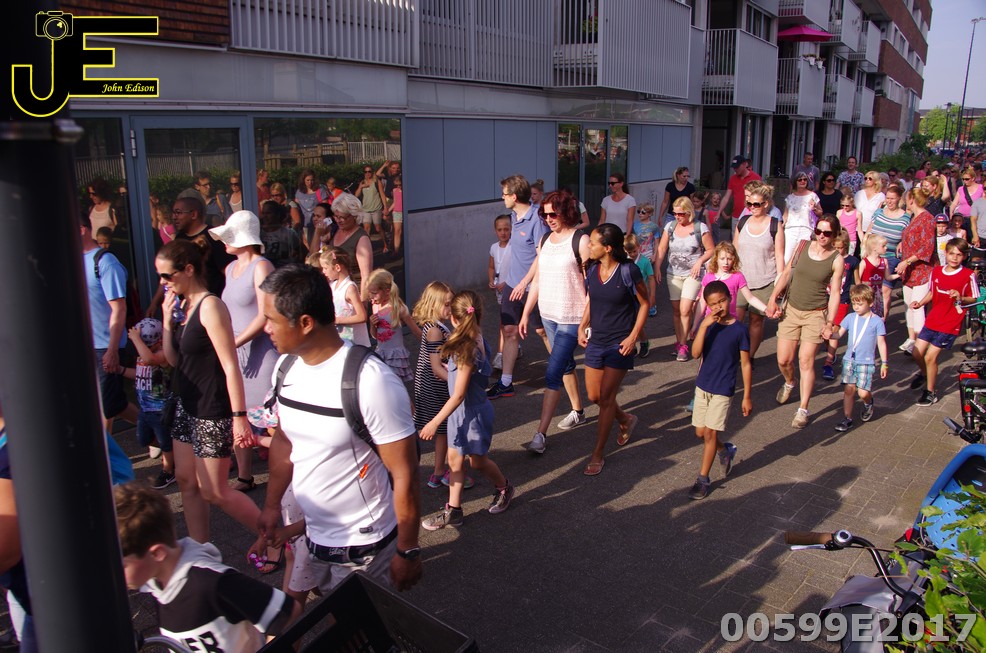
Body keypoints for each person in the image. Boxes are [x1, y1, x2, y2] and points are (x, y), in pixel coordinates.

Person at [255, 264, 423, 593]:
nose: (265, 328)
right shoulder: (285, 368)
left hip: (365, 548)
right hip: (313, 537)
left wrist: (407, 550)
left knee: (357, 623)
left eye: (271, 319)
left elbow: (405, 472)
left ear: (306, 323)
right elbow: (284, 442)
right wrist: (272, 505)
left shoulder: (371, 381)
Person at [157, 239, 260, 543]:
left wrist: (239, 417)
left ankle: (276, 538)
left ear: (188, 270)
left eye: (167, 275)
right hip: (186, 405)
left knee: (214, 491)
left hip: (211, 408)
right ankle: (200, 549)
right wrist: (166, 321)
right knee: (186, 481)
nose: (163, 283)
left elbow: (230, 365)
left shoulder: (210, 306)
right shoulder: (182, 307)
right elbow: (174, 360)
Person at [115, 482, 297, 652]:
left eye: (122, 565)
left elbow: (286, 612)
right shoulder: (155, 583)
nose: (114, 574)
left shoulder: (211, 582)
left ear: (157, 553)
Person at [420, 291, 515, 529]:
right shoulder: (475, 336)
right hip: (463, 412)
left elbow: (459, 394)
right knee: (455, 461)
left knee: (478, 462)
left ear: (453, 318)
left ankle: (504, 487)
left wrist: (434, 422)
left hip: (471, 414)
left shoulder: (465, 348)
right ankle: (453, 510)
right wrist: (451, 369)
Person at [211, 211, 278, 495]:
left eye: (230, 235)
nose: (225, 241)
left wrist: (233, 342)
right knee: (238, 413)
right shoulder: (230, 268)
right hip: (236, 352)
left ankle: (286, 472)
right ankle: (245, 475)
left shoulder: (261, 266)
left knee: (270, 417)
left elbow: (265, 314)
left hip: (261, 354)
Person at [519, 190, 590, 454]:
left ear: (566, 212)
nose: (548, 218)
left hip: (572, 317)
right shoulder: (545, 240)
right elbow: (538, 280)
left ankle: (540, 434)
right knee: (566, 365)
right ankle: (578, 411)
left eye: (553, 213)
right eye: (545, 214)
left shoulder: (581, 241)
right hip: (548, 313)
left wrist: (586, 322)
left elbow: (590, 285)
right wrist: (526, 313)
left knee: (553, 372)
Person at [578, 224, 649, 476]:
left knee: (606, 399)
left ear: (607, 248)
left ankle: (597, 453)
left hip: (619, 343)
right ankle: (625, 419)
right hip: (596, 341)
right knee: (594, 396)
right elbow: (592, 301)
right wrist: (582, 325)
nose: (588, 246)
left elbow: (645, 303)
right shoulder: (592, 269)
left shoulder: (629, 271)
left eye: (593, 243)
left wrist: (633, 337)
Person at [767, 215, 844, 429]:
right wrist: (773, 299)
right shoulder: (802, 246)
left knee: (805, 361)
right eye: (818, 231)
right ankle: (790, 382)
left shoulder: (837, 259)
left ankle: (803, 409)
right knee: (784, 360)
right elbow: (786, 273)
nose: (821, 236)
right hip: (791, 309)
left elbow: (835, 293)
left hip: (815, 314)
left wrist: (830, 322)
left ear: (834, 235)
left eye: (827, 233)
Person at [687, 280, 750, 500]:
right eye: (713, 304)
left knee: (710, 434)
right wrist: (703, 326)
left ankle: (703, 479)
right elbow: (695, 354)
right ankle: (724, 451)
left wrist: (747, 396)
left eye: (722, 301)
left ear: (730, 299)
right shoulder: (708, 326)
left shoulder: (740, 329)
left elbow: (745, 364)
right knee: (700, 433)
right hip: (703, 386)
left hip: (723, 388)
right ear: (707, 305)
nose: (718, 307)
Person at [488, 175, 549, 399]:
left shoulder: (537, 219)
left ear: (514, 196)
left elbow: (542, 256)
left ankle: (562, 368)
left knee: (542, 331)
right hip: (512, 286)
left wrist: (525, 282)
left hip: (532, 288)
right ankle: (506, 382)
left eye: (504, 194)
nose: (502, 197)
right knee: (509, 331)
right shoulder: (513, 217)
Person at [80, 214, 139, 432]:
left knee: (109, 405)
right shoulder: (71, 260)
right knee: (105, 404)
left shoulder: (105, 261)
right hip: (85, 345)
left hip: (105, 345)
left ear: (82, 230)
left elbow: (119, 308)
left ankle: (162, 438)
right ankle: (161, 438)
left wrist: (112, 350)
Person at [907, 238, 979, 406]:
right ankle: (926, 374)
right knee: (916, 353)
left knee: (930, 357)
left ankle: (930, 392)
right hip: (933, 319)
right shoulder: (937, 271)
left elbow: (974, 298)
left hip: (951, 322)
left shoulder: (968, 275)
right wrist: (920, 303)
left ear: (964, 256)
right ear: (945, 253)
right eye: (951, 253)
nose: (954, 257)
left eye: (959, 255)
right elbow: (933, 292)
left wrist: (960, 297)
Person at [412, 281, 461, 488]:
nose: (450, 309)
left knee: (443, 429)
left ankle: (438, 471)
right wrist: (457, 383)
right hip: (434, 385)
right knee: (444, 428)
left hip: (434, 383)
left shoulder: (435, 326)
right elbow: (435, 367)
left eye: (451, 304)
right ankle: (443, 471)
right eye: (446, 305)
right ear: (433, 304)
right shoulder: (435, 330)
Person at [653, 197, 715, 361]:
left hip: (693, 274)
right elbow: (662, 248)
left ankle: (683, 344)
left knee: (685, 309)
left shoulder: (700, 228)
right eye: (675, 213)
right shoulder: (670, 226)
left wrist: (700, 262)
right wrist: (657, 267)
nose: (677, 217)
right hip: (673, 273)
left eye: (681, 214)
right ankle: (679, 341)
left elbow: (711, 249)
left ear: (689, 212)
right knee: (676, 310)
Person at [120, 318, 176, 489]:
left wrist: (136, 339)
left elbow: (150, 359)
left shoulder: (163, 354)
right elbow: (139, 373)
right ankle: (174, 453)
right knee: (143, 438)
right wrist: (120, 370)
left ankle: (168, 470)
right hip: (145, 410)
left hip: (161, 410)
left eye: (145, 344)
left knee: (165, 442)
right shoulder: (143, 355)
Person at [824, 284, 888, 432]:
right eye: (854, 303)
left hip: (866, 362)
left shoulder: (877, 321)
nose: (856, 307)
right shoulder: (850, 317)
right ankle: (847, 418)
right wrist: (829, 335)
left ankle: (868, 402)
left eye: (860, 304)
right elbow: (839, 334)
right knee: (849, 390)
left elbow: (881, 343)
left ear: (870, 303)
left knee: (863, 392)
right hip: (849, 360)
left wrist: (884, 363)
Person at [733, 185, 785, 362]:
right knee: (735, 319)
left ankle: (749, 357)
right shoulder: (743, 222)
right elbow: (734, 250)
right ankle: (733, 354)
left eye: (756, 204)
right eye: (749, 204)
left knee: (756, 321)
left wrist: (779, 282)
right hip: (740, 279)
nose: (752, 207)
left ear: (766, 204)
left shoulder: (775, 225)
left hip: (764, 280)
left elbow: (779, 255)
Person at [895, 188, 937, 354]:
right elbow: (913, 237)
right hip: (909, 269)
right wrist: (902, 243)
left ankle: (921, 343)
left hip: (921, 269)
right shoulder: (914, 217)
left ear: (911, 199)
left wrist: (906, 261)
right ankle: (912, 339)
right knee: (908, 305)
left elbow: (927, 248)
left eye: (906, 198)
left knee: (917, 306)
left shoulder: (927, 219)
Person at [367, 268, 421, 383]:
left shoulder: (398, 308)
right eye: (370, 292)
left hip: (395, 357)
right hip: (381, 353)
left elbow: (416, 331)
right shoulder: (375, 306)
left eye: (374, 293)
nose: (371, 296)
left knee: (396, 384)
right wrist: (372, 325)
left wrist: (431, 347)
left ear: (387, 291)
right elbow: (376, 336)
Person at [866, 184, 910, 320]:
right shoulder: (879, 212)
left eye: (892, 198)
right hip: (872, 255)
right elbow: (869, 230)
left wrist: (902, 242)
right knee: (870, 290)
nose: (889, 201)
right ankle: (870, 318)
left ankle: (881, 321)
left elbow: (907, 237)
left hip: (890, 257)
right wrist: (864, 247)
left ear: (899, 199)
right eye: (888, 198)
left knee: (885, 290)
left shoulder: (905, 218)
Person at [693, 242, 767, 322]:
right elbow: (702, 302)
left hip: (730, 320)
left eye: (729, 259)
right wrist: (695, 324)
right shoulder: (708, 277)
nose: (726, 262)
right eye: (722, 259)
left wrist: (766, 309)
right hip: (711, 320)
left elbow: (750, 298)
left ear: (734, 259)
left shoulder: (737, 276)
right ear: (716, 259)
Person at [821, 231, 859, 382]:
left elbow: (857, 281)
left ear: (846, 246)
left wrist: (859, 297)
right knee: (823, 330)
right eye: (835, 247)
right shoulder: (828, 257)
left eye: (840, 248)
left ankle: (828, 363)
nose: (837, 250)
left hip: (842, 300)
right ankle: (830, 350)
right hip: (824, 297)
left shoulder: (852, 261)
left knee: (833, 330)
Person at [321, 193, 373, 298]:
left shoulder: (361, 238)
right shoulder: (334, 230)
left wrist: (363, 302)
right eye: (336, 216)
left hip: (352, 295)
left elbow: (366, 275)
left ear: (354, 216)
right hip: (335, 291)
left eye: (342, 217)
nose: (338, 220)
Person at [319, 247, 370, 346]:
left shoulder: (349, 288)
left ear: (337, 267)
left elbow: (362, 316)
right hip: (341, 341)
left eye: (325, 268)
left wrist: (338, 320)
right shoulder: (333, 285)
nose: (323, 272)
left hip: (354, 343)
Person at [782, 171, 822, 263]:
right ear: (795, 182)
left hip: (806, 229)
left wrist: (814, 208)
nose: (802, 181)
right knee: (787, 258)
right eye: (800, 180)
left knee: (802, 257)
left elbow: (820, 212)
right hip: (791, 229)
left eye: (805, 179)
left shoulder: (813, 195)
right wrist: (782, 224)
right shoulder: (790, 197)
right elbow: (785, 215)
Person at [625, 234, 656, 355]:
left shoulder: (644, 261)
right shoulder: (624, 261)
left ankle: (643, 341)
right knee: (628, 321)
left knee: (638, 322)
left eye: (634, 251)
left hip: (641, 296)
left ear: (639, 247)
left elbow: (651, 278)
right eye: (629, 252)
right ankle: (631, 344)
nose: (632, 254)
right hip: (627, 296)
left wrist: (652, 296)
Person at [488, 214, 512, 368]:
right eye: (500, 230)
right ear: (495, 230)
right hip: (500, 290)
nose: (503, 233)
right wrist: (491, 279)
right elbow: (491, 267)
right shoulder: (493, 248)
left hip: (512, 289)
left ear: (511, 230)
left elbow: (519, 269)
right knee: (509, 322)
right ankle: (514, 346)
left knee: (504, 323)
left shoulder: (514, 247)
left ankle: (501, 354)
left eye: (506, 229)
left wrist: (507, 282)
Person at [718, 156, 761, 229]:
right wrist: (719, 212)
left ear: (744, 164)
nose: (735, 169)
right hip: (736, 216)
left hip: (751, 215)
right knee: (735, 235)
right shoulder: (733, 178)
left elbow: (760, 196)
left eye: (737, 167)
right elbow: (726, 197)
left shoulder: (756, 178)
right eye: (734, 167)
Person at [259, 201, 305, 269]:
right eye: (263, 213)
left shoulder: (288, 233)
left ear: (277, 214)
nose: (265, 216)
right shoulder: (259, 233)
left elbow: (303, 251)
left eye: (268, 213)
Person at [355, 163, 389, 251]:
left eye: (369, 171)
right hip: (366, 209)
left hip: (376, 208)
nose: (367, 173)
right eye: (365, 172)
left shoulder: (377, 182)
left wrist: (385, 208)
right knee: (366, 229)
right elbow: (356, 195)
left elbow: (382, 195)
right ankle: (367, 248)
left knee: (378, 228)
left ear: (372, 172)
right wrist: (360, 187)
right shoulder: (362, 182)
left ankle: (385, 243)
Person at [294, 169, 328, 244]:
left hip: (317, 225)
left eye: (312, 180)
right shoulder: (299, 192)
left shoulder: (320, 191)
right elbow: (296, 207)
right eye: (308, 180)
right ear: (303, 180)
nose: (310, 182)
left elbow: (325, 207)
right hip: (304, 225)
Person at [632, 202, 660, 267]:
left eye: (643, 212)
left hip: (648, 254)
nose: (640, 214)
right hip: (636, 253)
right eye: (639, 211)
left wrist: (654, 255)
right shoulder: (634, 224)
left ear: (650, 214)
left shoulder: (654, 226)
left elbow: (657, 243)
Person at [837, 190, 860, 257]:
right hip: (841, 239)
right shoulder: (839, 212)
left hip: (852, 240)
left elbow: (860, 230)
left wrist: (863, 242)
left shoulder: (858, 213)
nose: (845, 207)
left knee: (848, 257)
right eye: (843, 205)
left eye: (847, 205)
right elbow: (837, 227)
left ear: (852, 203)